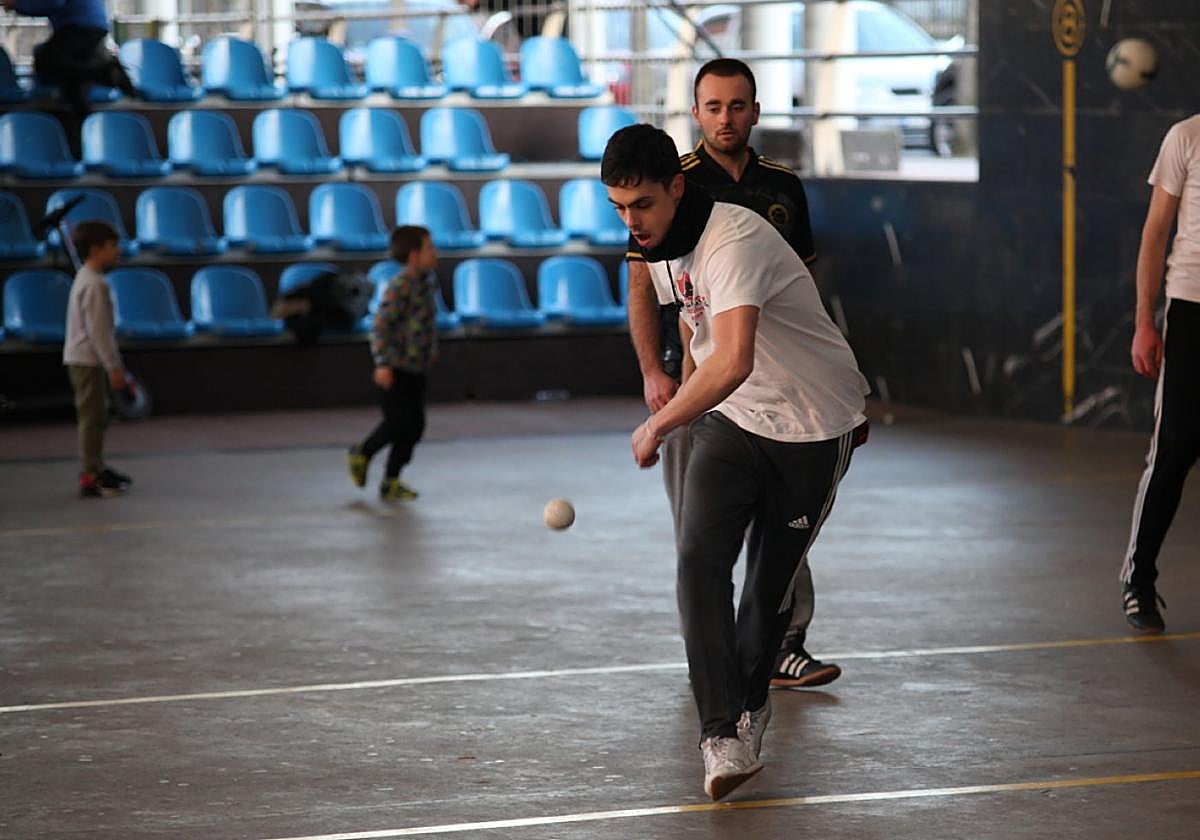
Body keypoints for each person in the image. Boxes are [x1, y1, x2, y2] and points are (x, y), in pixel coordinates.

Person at [603, 124, 869, 799]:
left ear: (677, 188)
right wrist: (687, 403)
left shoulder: (736, 240)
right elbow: (697, 330)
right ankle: (721, 734)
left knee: (766, 593)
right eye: (619, 209)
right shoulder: (663, 246)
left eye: (642, 206)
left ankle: (752, 708)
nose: (632, 223)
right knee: (698, 559)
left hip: (814, 423)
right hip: (734, 421)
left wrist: (663, 422)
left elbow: (735, 356)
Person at [625, 58, 838, 691]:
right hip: (697, 382)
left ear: (756, 110)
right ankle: (713, 653)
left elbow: (805, 289)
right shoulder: (670, 183)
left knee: (781, 519)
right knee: (702, 529)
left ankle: (784, 642)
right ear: (696, 113)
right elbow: (644, 287)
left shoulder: (782, 186)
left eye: (738, 105)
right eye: (713, 106)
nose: (726, 118)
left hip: (779, 389)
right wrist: (654, 374)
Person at [1120, 113, 1200, 634]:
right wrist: (1144, 322)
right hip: (1191, 310)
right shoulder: (1186, 136)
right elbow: (1155, 233)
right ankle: (1138, 580)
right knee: (1173, 450)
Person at [348, 226, 439, 502]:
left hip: (415, 368)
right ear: (413, 255)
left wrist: (430, 349)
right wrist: (382, 364)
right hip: (395, 368)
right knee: (398, 422)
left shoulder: (427, 283)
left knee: (414, 426)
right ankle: (362, 452)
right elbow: (380, 327)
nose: (435, 254)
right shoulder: (399, 287)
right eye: (429, 249)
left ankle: (392, 480)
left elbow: (425, 324)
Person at [62, 219, 132, 498]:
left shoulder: (86, 278)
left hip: (84, 359)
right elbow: (99, 332)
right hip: (87, 361)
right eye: (112, 246)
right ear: (95, 250)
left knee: (96, 415)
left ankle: (96, 466)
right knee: (92, 418)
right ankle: (91, 474)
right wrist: (114, 367)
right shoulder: (95, 284)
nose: (118, 251)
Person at [2, 0, 135, 117]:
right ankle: (83, 124)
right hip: (93, 23)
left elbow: (52, 2)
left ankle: (105, 71)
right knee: (73, 83)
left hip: (80, 24)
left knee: (46, 58)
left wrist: (18, 4)